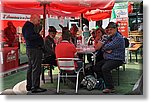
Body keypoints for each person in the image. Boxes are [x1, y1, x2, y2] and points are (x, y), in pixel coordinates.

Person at [93, 22, 125, 93]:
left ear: (116, 29)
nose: (109, 31)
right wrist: (106, 49)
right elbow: (103, 47)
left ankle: (110, 87)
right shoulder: (110, 37)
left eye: (111, 29)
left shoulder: (118, 38)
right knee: (96, 67)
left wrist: (105, 48)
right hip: (109, 58)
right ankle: (104, 82)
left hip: (117, 59)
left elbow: (105, 46)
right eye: (108, 29)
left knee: (105, 68)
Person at [22, 14, 47, 93]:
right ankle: (35, 86)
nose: (39, 22)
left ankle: (30, 85)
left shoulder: (29, 26)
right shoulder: (28, 26)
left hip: (32, 49)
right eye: (38, 20)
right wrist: (38, 35)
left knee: (31, 68)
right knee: (36, 68)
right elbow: (29, 37)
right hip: (34, 49)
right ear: (33, 18)